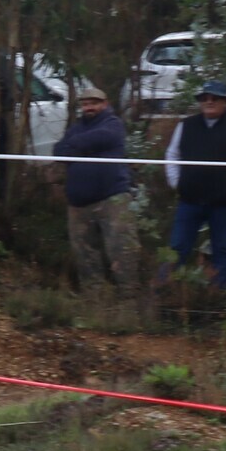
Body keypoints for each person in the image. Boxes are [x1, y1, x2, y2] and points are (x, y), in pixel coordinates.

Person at [163, 80, 226, 289]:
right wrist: (176, 182)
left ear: (225, 101)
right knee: (177, 247)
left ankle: (221, 295)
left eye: (214, 98)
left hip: (223, 202)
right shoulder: (186, 125)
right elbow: (172, 156)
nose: (209, 102)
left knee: (221, 248)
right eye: (204, 98)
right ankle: (165, 290)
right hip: (189, 199)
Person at [52, 86, 141, 301]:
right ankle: (96, 301)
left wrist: (76, 145)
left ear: (105, 104)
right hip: (79, 203)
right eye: (85, 103)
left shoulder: (113, 124)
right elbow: (58, 151)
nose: (89, 107)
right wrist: (79, 145)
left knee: (122, 250)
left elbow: (104, 137)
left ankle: (130, 301)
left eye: (94, 103)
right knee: (85, 255)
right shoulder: (76, 127)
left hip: (112, 198)